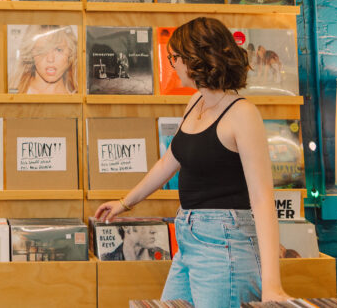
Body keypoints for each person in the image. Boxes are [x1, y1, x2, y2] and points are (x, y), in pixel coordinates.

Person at [95, 17, 291, 306]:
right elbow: (169, 161)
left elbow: (262, 199)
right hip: (188, 236)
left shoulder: (242, 114)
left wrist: (272, 286)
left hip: (225, 242)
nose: (172, 64)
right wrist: (124, 202)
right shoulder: (195, 104)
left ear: (197, 58)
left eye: (175, 57)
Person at [10, 25, 77, 94]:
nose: (50, 59)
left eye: (58, 50)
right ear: (31, 54)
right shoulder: (13, 94)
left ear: (71, 52)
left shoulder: (78, 98)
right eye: (42, 50)